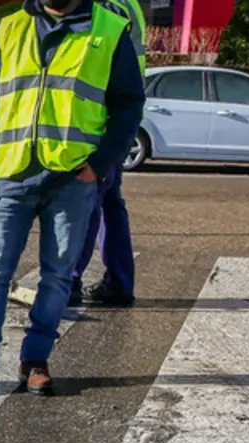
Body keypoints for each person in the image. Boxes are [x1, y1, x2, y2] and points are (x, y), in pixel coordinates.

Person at [0, 0, 145, 398]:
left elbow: (127, 105)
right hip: (12, 173)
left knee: (57, 276)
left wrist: (102, 163)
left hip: (72, 176)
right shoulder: (10, 28)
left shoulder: (109, 30)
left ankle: (35, 360)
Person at [71, 0, 147, 308]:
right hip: (114, 121)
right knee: (110, 205)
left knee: (87, 203)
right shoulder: (129, 4)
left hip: (99, 123)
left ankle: (69, 281)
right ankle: (119, 281)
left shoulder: (108, 8)